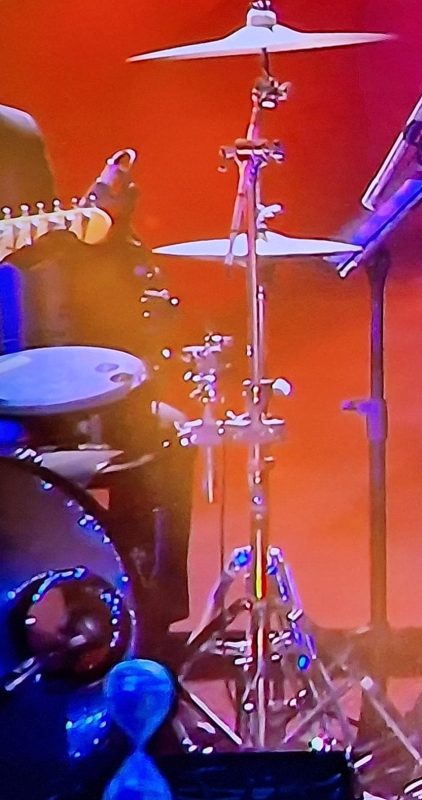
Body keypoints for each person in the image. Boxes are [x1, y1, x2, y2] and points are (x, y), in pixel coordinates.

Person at [0, 103, 193, 654]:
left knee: (165, 431)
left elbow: (50, 252)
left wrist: (102, 228)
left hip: (21, 385)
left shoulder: (10, 132)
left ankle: (138, 633)